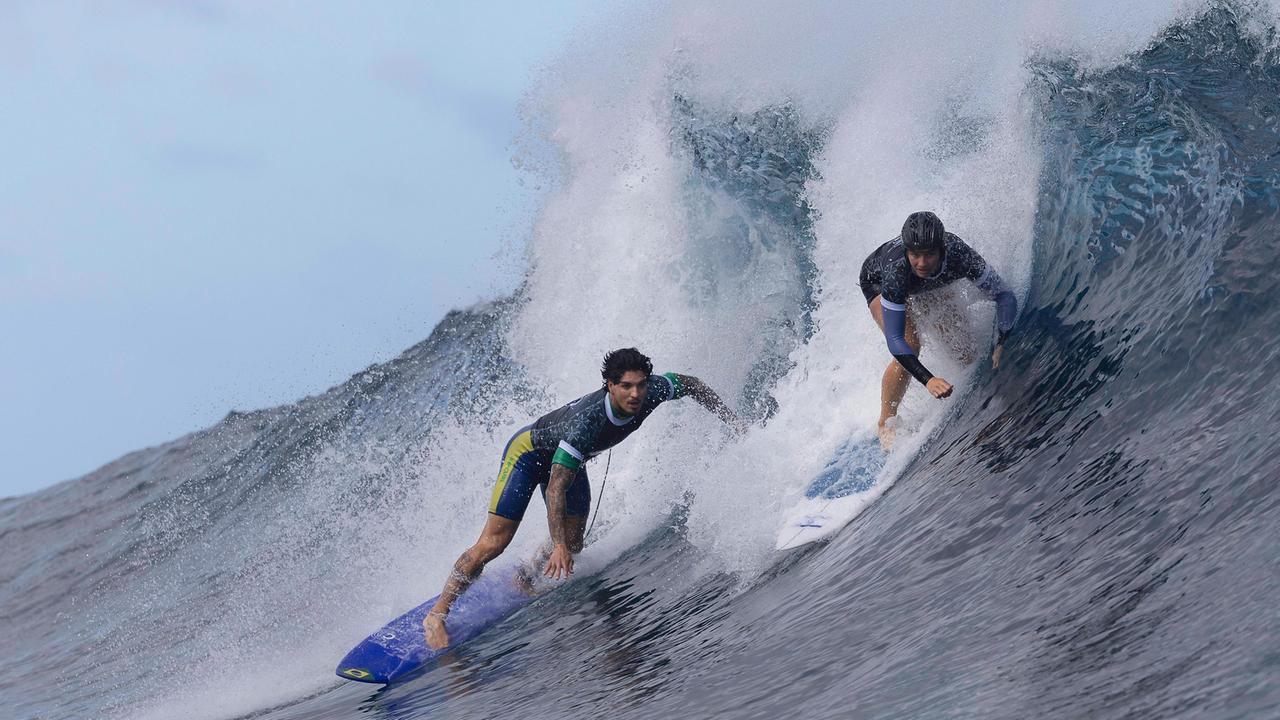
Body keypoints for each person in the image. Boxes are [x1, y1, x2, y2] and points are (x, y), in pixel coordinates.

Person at [423, 347, 743, 650]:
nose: (635, 394)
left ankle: (524, 575)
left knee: (574, 543)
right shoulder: (588, 422)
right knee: (494, 544)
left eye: (640, 385)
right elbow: (555, 489)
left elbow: (692, 384)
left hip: (567, 463)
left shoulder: (654, 391)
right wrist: (557, 545)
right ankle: (437, 615)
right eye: (626, 386)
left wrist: (732, 422)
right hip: (529, 455)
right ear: (609, 385)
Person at [858, 211, 1017, 449]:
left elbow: (1004, 295)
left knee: (967, 353)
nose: (922, 263)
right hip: (878, 283)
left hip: (925, 286)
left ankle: (989, 407)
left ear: (941, 249)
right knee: (910, 343)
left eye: (929, 255)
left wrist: (1002, 341)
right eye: (915, 255)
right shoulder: (896, 271)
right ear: (907, 252)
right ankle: (885, 422)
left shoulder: (959, 255)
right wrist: (928, 379)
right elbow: (894, 340)